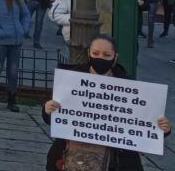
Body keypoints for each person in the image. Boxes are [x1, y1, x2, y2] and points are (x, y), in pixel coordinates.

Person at [42, 34, 171, 170]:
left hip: (116, 160)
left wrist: (163, 129)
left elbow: (142, 122)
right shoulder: (70, 80)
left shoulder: (128, 87)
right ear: (89, 53)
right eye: (96, 53)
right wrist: (47, 109)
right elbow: (54, 118)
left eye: (106, 55)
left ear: (115, 57)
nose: (100, 58)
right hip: (70, 154)